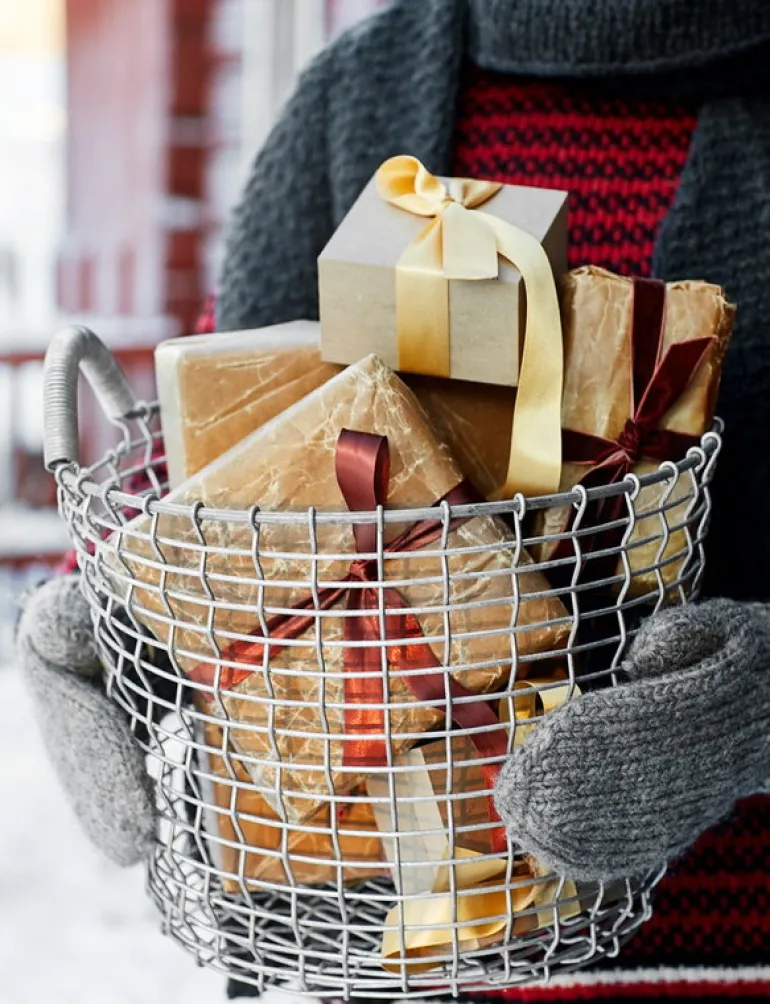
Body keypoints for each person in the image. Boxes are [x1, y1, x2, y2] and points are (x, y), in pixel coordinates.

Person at [17, 1, 770, 1001]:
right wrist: (100, 608)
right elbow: (220, 448)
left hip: (726, 955)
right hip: (369, 952)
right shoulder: (355, 96)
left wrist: (748, 711)